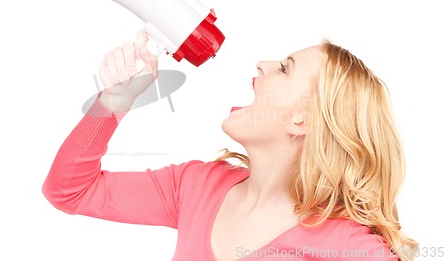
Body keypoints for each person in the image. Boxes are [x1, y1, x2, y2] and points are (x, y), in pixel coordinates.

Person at [42, 31, 417, 260]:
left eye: (285, 69)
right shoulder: (196, 186)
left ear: (302, 120)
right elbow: (70, 191)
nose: (263, 65)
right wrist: (114, 100)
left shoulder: (348, 245)